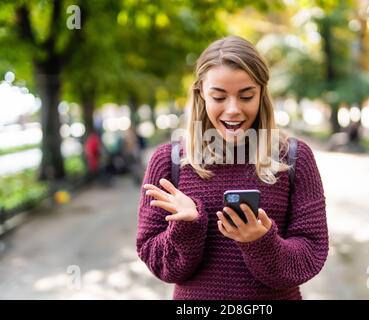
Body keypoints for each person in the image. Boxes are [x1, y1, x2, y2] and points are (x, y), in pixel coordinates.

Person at [136, 35, 329, 300]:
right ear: (201, 94)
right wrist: (187, 227)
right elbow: (158, 262)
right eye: (219, 97)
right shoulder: (170, 161)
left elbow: (310, 256)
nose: (233, 110)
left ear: (261, 93)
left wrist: (260, 242)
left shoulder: (294, 158)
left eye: (246, 96)